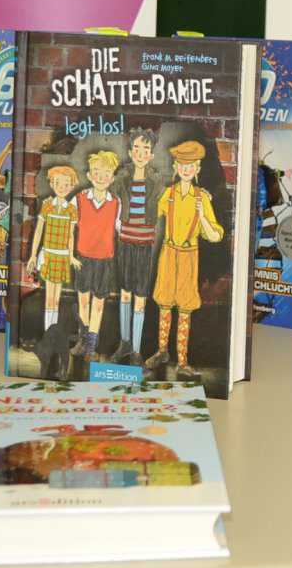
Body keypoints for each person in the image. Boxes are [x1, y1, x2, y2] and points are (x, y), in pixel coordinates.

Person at [145, 141, 223, 380]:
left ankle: (182, 361)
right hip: (169, 253)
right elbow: (150, 214)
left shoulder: (202, 198)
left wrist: (202, 216)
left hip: (189, 255)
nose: (186, 170)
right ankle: (162, 351)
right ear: (175, 167)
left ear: (197, 169)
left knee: (186, 308)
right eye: (182, 165)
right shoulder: (168, 194)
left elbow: (215, 236)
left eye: (191, 166)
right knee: (164, 303)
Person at [110, 129, 164, 365]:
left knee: (141, 297)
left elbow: (168, 200)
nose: (141, 154)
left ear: (151, 155)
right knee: (125, 292)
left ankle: (136, 350)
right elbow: (109, 197)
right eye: (137, 149)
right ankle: (124, 342)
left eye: (146, 150)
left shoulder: (156, 181)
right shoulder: (122, 177)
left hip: (144, 246)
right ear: (130, 152)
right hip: (124, 242)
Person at [71, 150, 121, 360]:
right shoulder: (79, 199)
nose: (101, 177)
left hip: (104, 260)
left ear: (112, 177)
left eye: (106, 173)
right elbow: (68, 225)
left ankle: (92, 346)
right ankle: (83, 340)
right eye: (97, 172)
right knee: (83, 301)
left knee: (98, 303)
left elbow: (121, 229)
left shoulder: (116, 203)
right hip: (83, 258)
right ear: (89, 175)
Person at [25, 164, 79, 336]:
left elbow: (70, 235)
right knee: (49, 298)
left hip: (62, 257)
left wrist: (71, 256)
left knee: (56, 300)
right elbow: (39, 231)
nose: (61, 188)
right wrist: (33, 255)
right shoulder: (47, 205)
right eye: (57, 183)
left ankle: (52, 333)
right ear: (51, 184)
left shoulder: (71, 210)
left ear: (72, 186)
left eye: (66, 184)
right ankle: (48, 332)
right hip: (49, 255)